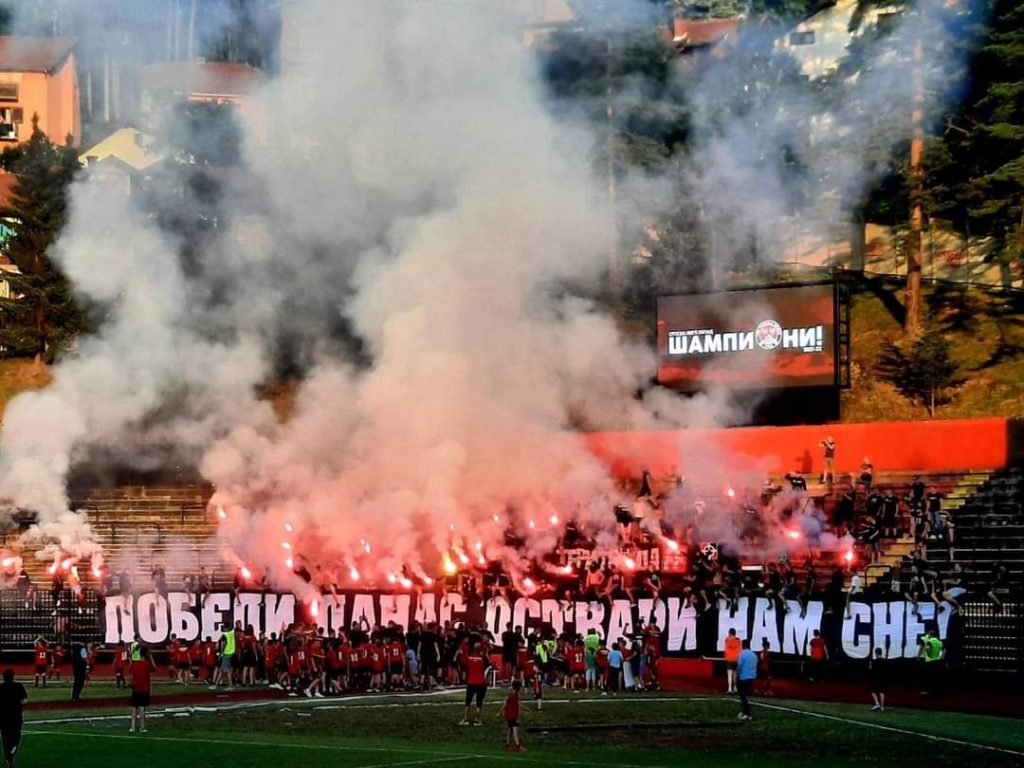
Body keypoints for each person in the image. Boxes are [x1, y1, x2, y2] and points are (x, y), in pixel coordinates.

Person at [0, 669, 27, 768]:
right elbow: (24, 700)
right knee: (16, 741)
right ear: (13, 676)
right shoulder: (18, 686)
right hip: (16, 718)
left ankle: (8, 757)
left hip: (3, 719)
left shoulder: (1, 687)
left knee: (6, 741)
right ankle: (10, 756)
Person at [459, 642, 489, 726]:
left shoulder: (469, 657)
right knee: (479, 703)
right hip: (481, 683)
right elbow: (489, 664)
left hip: (471, 682)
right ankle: (478, 720)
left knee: (467, 701)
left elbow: (464, 662)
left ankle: (465, 719)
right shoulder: (482, 659)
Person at [129, 646, 157, 734]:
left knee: (134, 709)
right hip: (144, 689)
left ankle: (132, 727)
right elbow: (155, 668)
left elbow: (131, 673)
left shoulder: (135, 664)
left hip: (136, 688)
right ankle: (142, 727)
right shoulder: (147, 663)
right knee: (142, 710)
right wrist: (151, 657)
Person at [497, 679, 526, 752]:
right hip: (511, 715)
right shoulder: (512, 695)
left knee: (510, 730)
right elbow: (505, 704)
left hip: (511, 715)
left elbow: (518, 703)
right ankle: (518, 745)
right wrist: (499, 712)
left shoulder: (514, 694)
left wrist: (525, 708)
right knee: (515, 729)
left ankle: (507, 745)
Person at [736, 640, 757, 721]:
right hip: (752, 677)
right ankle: (746, 712)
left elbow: (739, 666)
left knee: (743, 696)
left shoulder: (742, 654)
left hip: (744, 677)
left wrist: (737, 676)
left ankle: (747, 713)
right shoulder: (754, 655)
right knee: (747, 696)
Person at [723, 628, 741, 694]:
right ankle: (735, 687)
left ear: (730, 633)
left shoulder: (727, 639)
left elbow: (726, 641)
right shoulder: (738, 640)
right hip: (736, 659)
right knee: (735, 675)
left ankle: (729, 688)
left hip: (729, 659)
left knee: (729, 674)